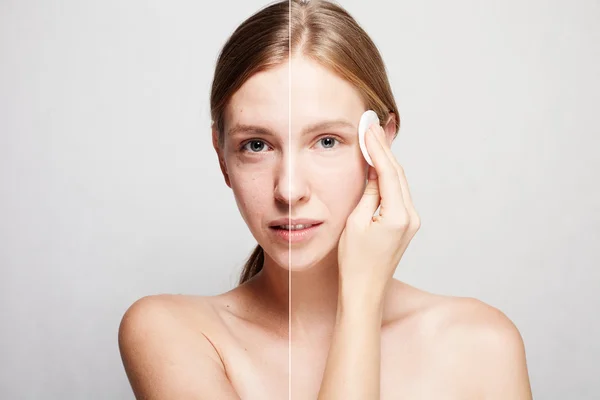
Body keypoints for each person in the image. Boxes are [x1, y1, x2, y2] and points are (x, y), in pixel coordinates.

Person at [118, 0, 533, 398]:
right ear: (221, 156)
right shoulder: (172, 333)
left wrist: (361, 293)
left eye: (327, 141)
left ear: (381, 145)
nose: (289, 190)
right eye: (257, 145)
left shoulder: (481, 346)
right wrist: (361, 303)